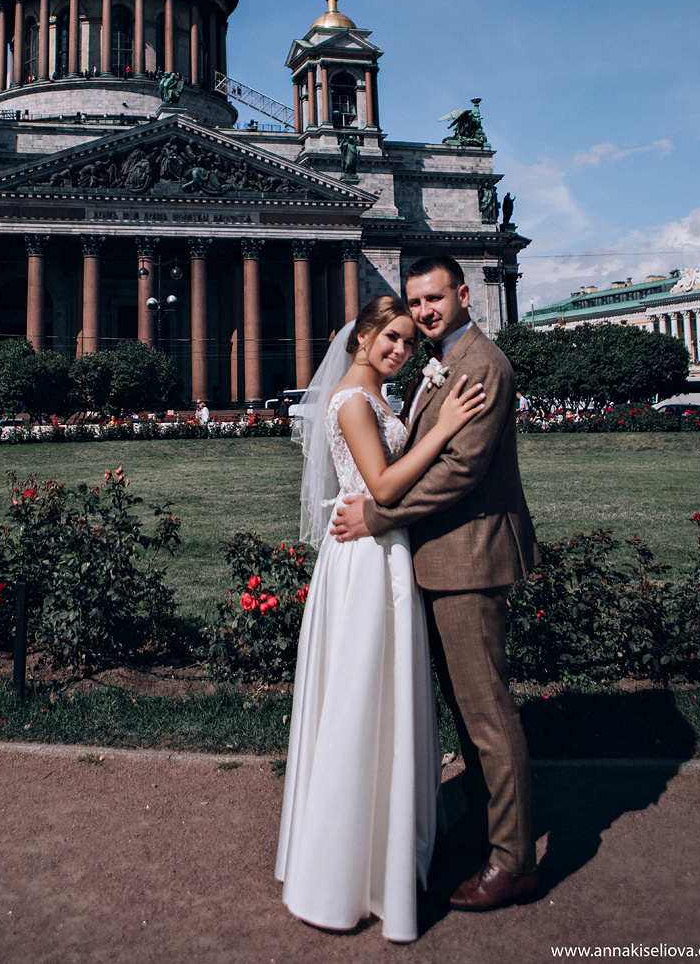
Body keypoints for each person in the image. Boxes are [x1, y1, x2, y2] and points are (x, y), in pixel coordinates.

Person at [332, 256, 541, 912]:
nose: (422, 312)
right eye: (413, 301)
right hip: (438, 560)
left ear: (464, 293)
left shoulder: (480, 363)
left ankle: (511, 862)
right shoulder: (443, 360)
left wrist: (376, 513)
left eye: (433, 299)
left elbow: (459, 471)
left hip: (469, 560)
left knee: (487, 715)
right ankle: (486, 835)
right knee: (468, 711)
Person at [275, 294, 486, 941]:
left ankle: (378, 850)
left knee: (378, 694)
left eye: (404, 341)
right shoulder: (351, 399)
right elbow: (384, 486)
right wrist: (446, 424)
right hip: (366, 557)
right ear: (361, 336)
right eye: (388, 338)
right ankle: (343, 872)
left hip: (380, 551)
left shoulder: (374, 394)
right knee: (361, 698)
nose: (399, 349)